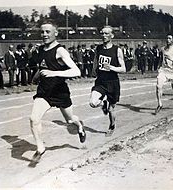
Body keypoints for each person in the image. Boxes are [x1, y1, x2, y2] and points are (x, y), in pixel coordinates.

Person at [29, 20, 86, 161]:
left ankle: (80, 127)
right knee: (33, 118)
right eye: (42, 32)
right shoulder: (41, 50)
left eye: (48, 31)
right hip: (44, 92)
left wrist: (54, 73)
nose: (44, 34)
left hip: (60, 92)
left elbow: (76, 71)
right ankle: (40, 147)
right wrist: (36, 77)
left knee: (70, 120)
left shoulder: (60, 50)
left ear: (56, 33)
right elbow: (42, 68)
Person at [90, 26, 126, 134]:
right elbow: (96, 61)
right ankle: (103, 104)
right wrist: (93, 70)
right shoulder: (99, 48)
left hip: (112, 83)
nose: (104, 36)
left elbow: (123, 69)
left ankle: (112, 125)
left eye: (106, 34)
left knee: (111, 109)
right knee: (93, 102)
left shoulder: (117, 50)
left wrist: (111, 68)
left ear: (112, 35)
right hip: (101, 81)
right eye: (102, 33)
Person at [155, 34, 173, 114]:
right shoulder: (163, 49)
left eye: (170, 38)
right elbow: (161, 59)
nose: (168, 40)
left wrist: (172, 59)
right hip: (163, 71)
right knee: (158, 86)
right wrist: (159, 67)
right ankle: (159, 104)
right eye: (167, 38)